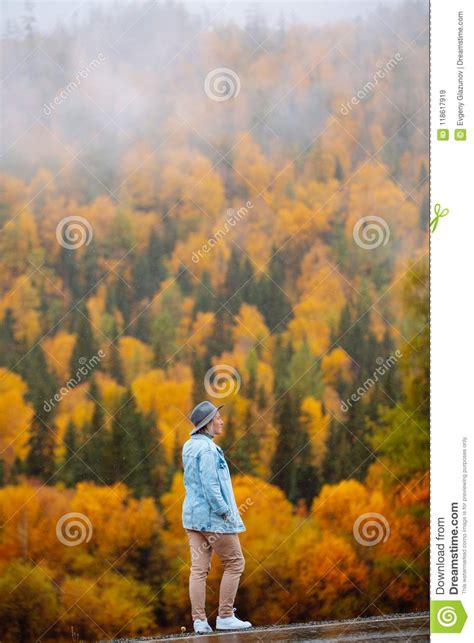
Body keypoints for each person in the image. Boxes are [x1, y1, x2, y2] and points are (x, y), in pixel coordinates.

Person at [182, 400, 252, 634]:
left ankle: (199, 621)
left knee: (198, 569)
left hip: (192, 517)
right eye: (217, 418)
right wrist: (225, 512)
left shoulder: (188, 446)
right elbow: (211, 486)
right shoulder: (209, 450)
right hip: (213, 518)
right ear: (208, 424)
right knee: (235, 562)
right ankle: (225, 615)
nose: (221, 421)